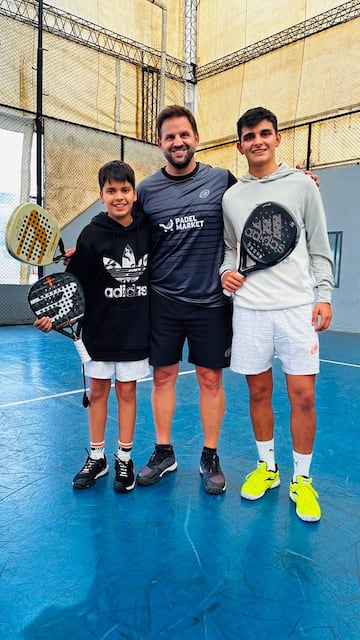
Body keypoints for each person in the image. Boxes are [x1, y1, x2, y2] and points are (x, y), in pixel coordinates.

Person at [220, 106, 334, 521]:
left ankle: (302, 480)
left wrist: (324, 294)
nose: (258, 142)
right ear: (240, 145)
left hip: (296, 308)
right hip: (249, 310)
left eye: (265, 133)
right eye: (249, 136)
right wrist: (225, 272)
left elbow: (318, 244)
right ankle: (267, 469)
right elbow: (231, 248)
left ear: (278, 138)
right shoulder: (231, 197)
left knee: (303, 395)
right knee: (257, 393)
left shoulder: (303, 186)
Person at [135, 104, 237, 494]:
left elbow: (260, 197)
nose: (177, 142)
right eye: (169, 137)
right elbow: (122, 229)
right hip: (163, 302)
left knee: (211, 379)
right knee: (163, 377)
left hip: (211, 303)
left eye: (183, 134)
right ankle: (164, 452)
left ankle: (210, 455)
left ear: (196, 137)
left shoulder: (223, 179)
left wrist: (297, 180)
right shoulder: (146, 191)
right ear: (159, 143)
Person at [34, 160, 150, 492]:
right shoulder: (91, 234)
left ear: (134, 193)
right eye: (111, 190)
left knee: (127, 393)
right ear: (101, 195)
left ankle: (124, 459)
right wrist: (52, 316)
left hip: (134, 330)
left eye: (124, 190)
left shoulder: (146, 227)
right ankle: (97, 457)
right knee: (98, 392)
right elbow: (75, 285)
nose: (119, 197)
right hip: (98, 329)